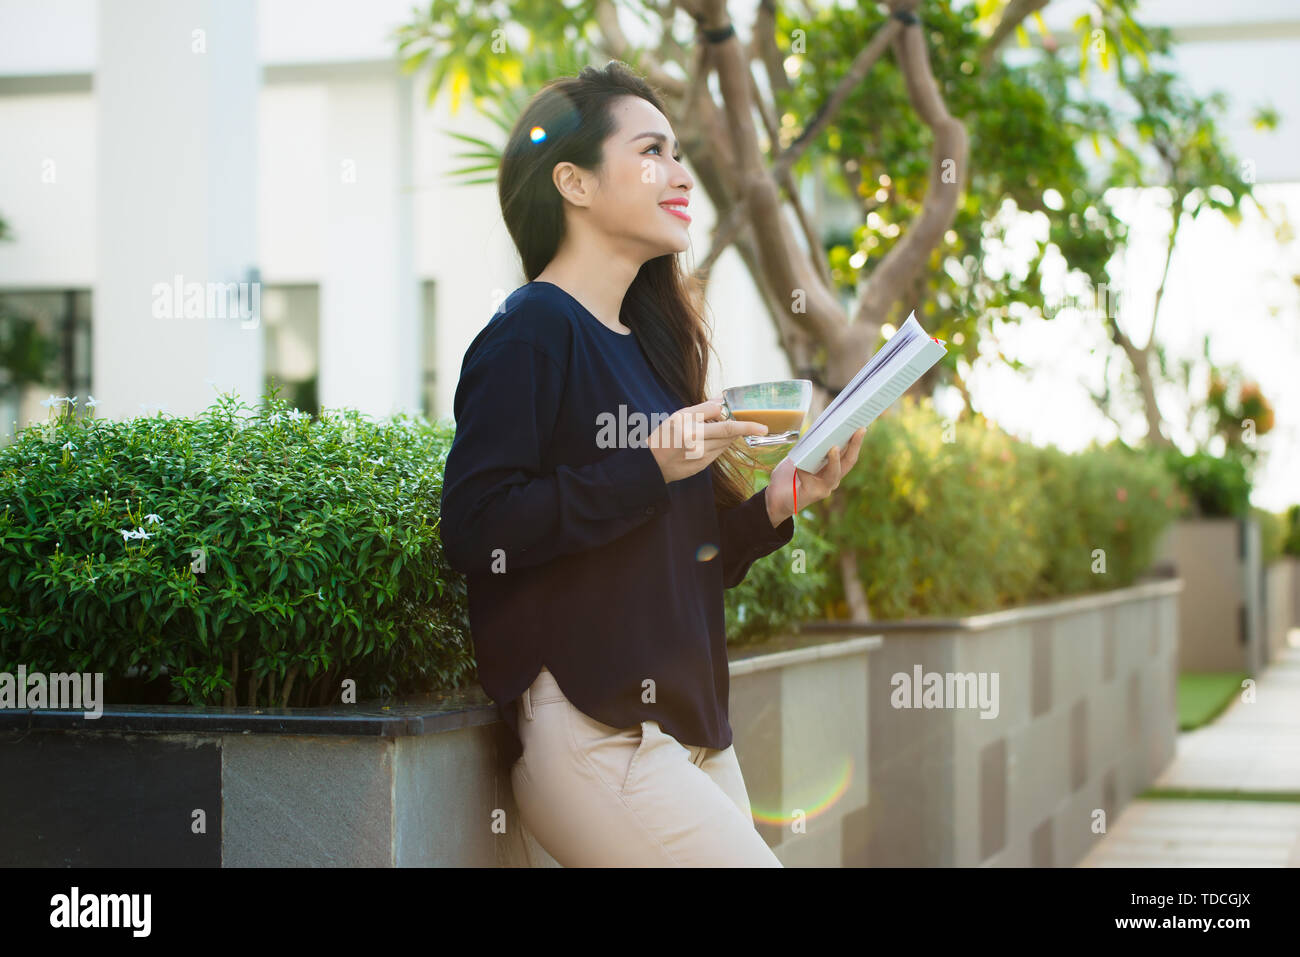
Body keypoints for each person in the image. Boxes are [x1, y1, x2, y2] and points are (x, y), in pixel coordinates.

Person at [439, 60, 867, 867]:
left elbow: (682, 560)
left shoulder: (653, 353)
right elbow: (474, 526)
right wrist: (645, 467)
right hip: (600, 736)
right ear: (574, 181)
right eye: (653, 151)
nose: (680, 174)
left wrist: (775, 505)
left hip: (693, 737)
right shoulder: (532, 329)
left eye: (678, 153)